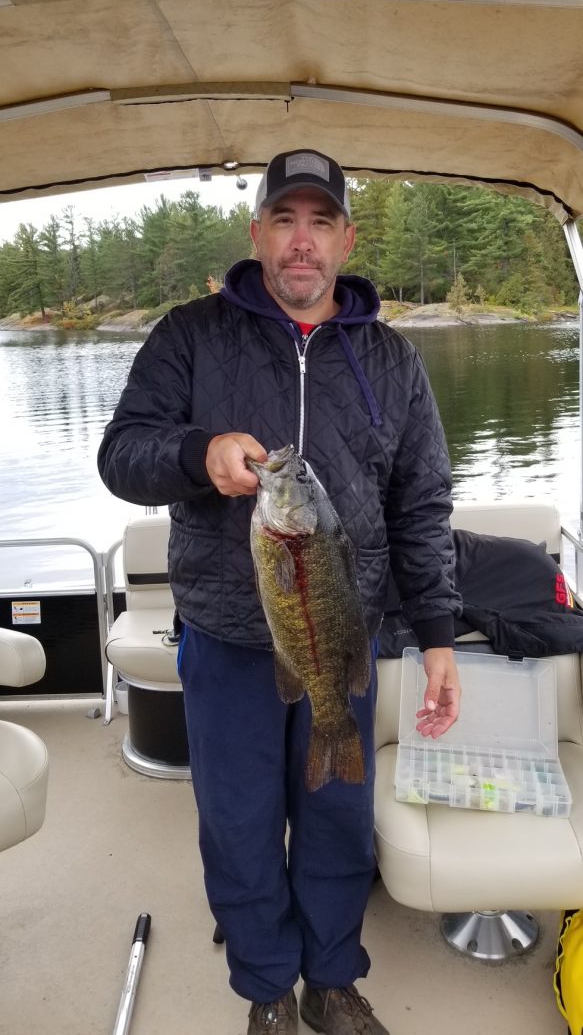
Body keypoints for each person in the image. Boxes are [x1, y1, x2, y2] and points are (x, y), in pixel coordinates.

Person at [98, 148, 462, 1035]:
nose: (302, 242)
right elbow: (122, 455)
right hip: (225, 634)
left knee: (336, 815)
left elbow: (421, 506)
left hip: (344, 634)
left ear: (346, 240)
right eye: (286, 221)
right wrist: (198, 454)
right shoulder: (190, 335)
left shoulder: (392, 360)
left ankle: (331, 981)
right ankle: (266, 988)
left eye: (320, 223)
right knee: (238, 820)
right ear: (257, 232)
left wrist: (438, 636)